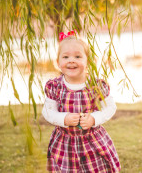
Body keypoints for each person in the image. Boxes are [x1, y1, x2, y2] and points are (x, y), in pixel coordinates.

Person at [42, 30, 121, 172]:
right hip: (65, 143)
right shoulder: (55, 86)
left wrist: (93, 119)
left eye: (78, 56)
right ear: (58, 62)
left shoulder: (96, 86)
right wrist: (63, 118)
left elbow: (110, 107)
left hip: (92, 141)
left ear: (89, 61)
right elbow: (48, 111)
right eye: (65, 57)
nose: (71, 60)